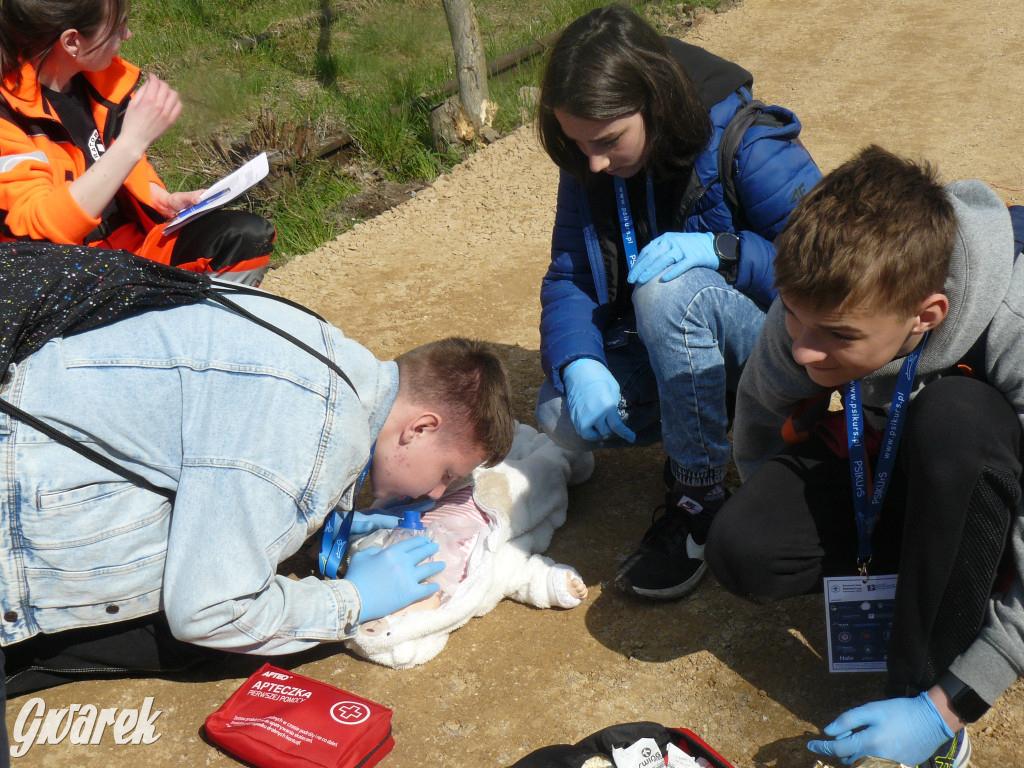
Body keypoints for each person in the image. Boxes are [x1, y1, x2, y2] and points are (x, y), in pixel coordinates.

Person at [0, 289, 515, 762]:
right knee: (211, 639)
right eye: (447, 473)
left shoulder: (329, 355)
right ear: (421, 427)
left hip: (36, 425)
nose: (436, 495)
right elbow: (209, 612)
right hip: (21, 503)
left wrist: (325, 518)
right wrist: (352, 601)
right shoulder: (313, 436)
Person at [705, 145, 1024, 767]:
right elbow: (761, 417)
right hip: (891, 467)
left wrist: (950, 701)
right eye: (792, 317)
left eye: (838, 337)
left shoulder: (1015, 323)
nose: (802, 351)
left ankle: (922, 690)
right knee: (743, 546)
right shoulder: (818, 301)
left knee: (956, 417)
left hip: (981, 475)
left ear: (925, 316)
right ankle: (923, 568)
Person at [533, 3, 822, 599]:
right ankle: (714, 419)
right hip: (685, 340)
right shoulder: (589, 156)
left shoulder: (747, 142)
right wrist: (579, 363)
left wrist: (727, 251)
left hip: (781, 347)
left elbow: (837, 270)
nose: (593, 162)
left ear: (655, 103)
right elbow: (570, 275)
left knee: (668, 292)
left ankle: (698, 498)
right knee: (559, 415)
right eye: (577, 142)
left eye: (609, 140)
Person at [0, 0, 274, 284]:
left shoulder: (98, 84)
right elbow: (37, 233)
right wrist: (132, 142)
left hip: (133, 251)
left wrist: (163, 200)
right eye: (117, 27)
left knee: (246, 238)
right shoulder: (7, 116)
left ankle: (203, 322)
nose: (128, 34)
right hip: (68, 280)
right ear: (72, 42)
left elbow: (122, 171)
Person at [345, 422, 594, 669]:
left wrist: (351, 535)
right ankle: (567, 454)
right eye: (415, 601)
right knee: (543, 472)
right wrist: (554, 585)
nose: (412, 587)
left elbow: (360, 538)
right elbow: (517, 575)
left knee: (482, 448)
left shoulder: (383, 558)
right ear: (436, 613)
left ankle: (510, 431)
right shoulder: (472, 581)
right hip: (504, 501)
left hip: (451, 484)